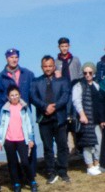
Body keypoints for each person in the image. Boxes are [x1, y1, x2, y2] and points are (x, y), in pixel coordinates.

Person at [29, 55, 73, 185]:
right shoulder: (36, 82)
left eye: (50, 66)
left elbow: (65, 95)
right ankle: (51, 172)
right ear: (41, 67)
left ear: (54, 67)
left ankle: (63, 171)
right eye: (45, 66)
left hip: (59, 118)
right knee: (48, 147)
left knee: (62, 146)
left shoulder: (63, 81)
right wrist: (45, 107)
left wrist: (55, 107)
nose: (48, 68)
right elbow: (33, 97)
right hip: (44, 119)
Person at [0, 85, 38, 192]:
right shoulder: (5, 109)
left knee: (25, 162)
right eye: (12, 95)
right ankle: (16, 184)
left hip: (22, 139)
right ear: (8, 97)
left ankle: (32, 182)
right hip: (9, 140)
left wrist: (31, 139)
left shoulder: (24, 107)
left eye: (16, 95)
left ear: (20, 95)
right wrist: (0, 140)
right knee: (12, 163)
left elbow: (29, 124)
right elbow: (2, 125)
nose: (14, 97)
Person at [71, 63, 103, 175]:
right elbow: (76, 101)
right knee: (87, 142)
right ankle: (89, 166)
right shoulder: (79, 85)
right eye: (85, 73)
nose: (88, 75)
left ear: (93, 73)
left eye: (90, 72)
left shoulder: (97, 85)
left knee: (99, 141)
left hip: (96, 118)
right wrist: (82, 114)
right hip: (85, 118)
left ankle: (97, 163)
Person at [0, 49, 37, 113]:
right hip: (8, 114)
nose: (14, 60)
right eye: (11, 57)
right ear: (7, 59)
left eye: (16, 57)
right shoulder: (0, 78)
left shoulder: (28, 74)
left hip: (25, 113)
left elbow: (35, 96)